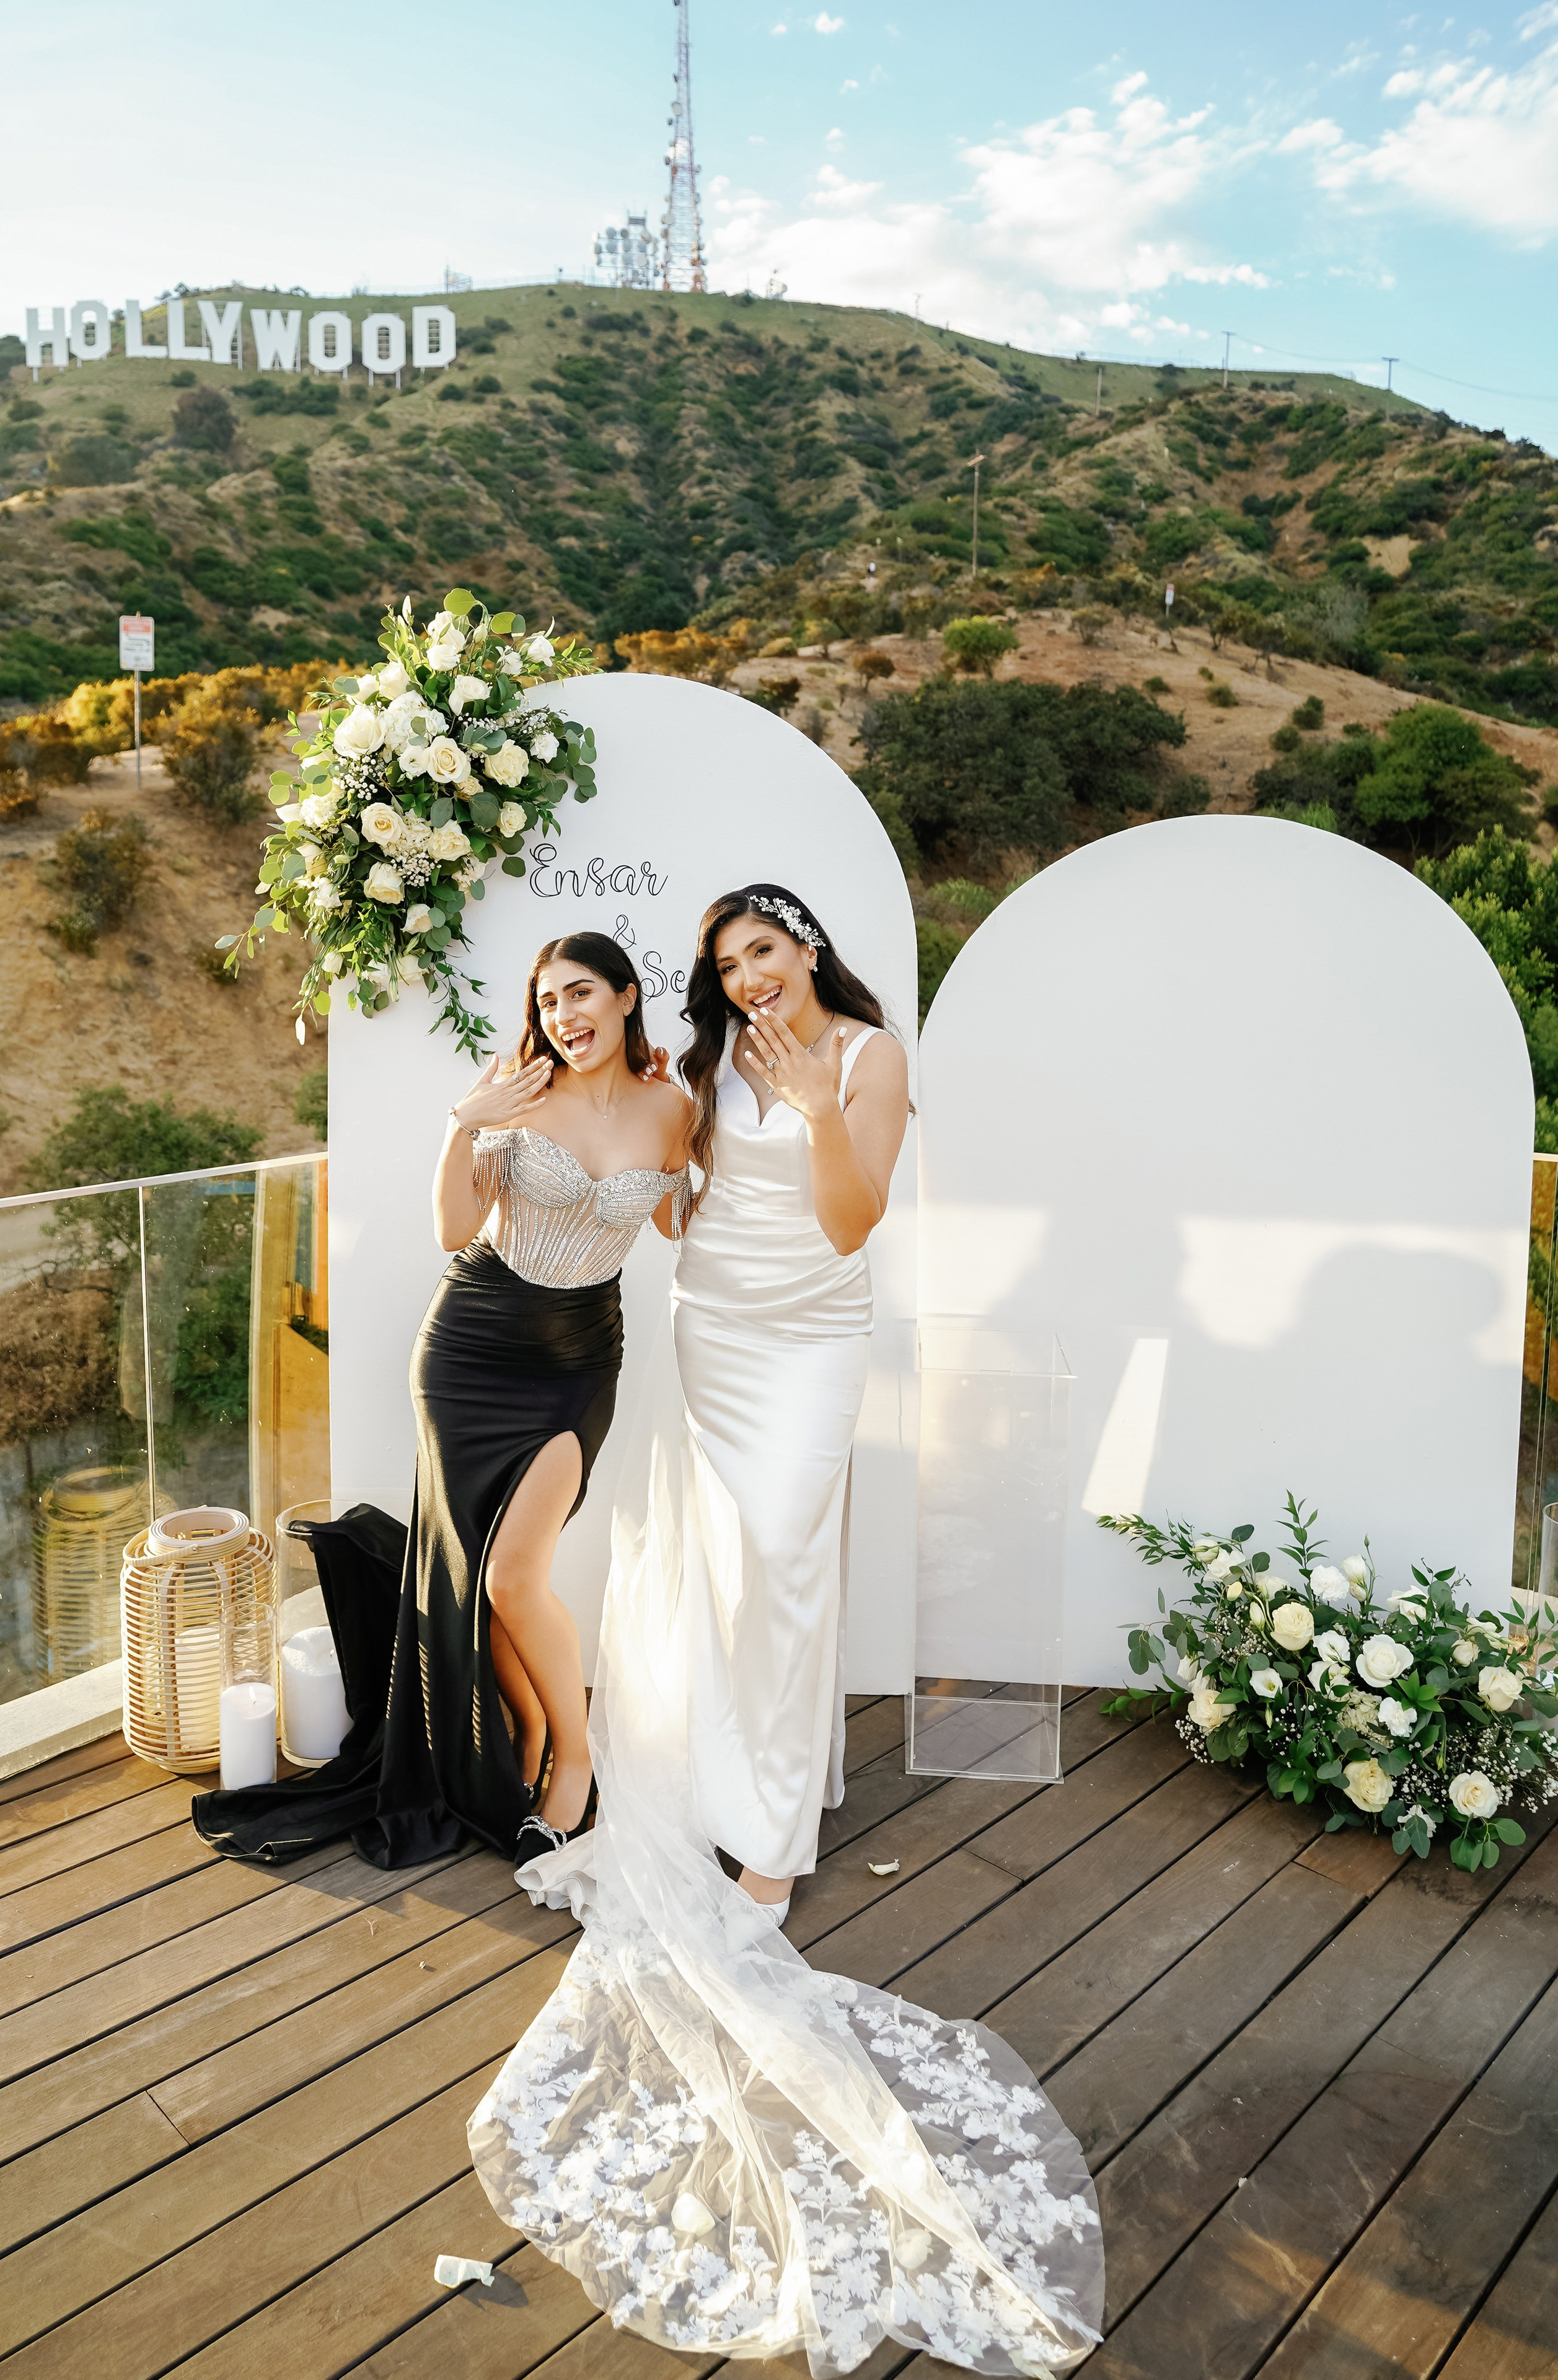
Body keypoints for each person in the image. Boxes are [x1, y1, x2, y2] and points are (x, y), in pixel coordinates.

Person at [469, 888, 1104, 2376]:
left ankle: (771, 1840)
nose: (746, 976)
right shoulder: (706, 1069)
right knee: (706, 1561)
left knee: (781, 1565)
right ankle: (705, 1778)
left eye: (763, 952)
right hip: (710, 1330)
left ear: (806, 952)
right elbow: (685, 1207)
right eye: (726, 962)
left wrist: (818, 1103)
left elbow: (849, 1216)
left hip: (811, 1344)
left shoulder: (868, 1055)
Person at [193, 931, 688, 1868]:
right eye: (548, 1003)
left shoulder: (672, 1106)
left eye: (581, 995)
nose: (564, 1018)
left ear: (627, 998)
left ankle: (561, 1748)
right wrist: (464, 1121)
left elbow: (673, 1218)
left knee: (511, 1575)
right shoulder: (518, 1093)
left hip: (581, 1361)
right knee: (484, 1580)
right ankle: (547, 1743)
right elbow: (453, 1227)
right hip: (470, 1350)